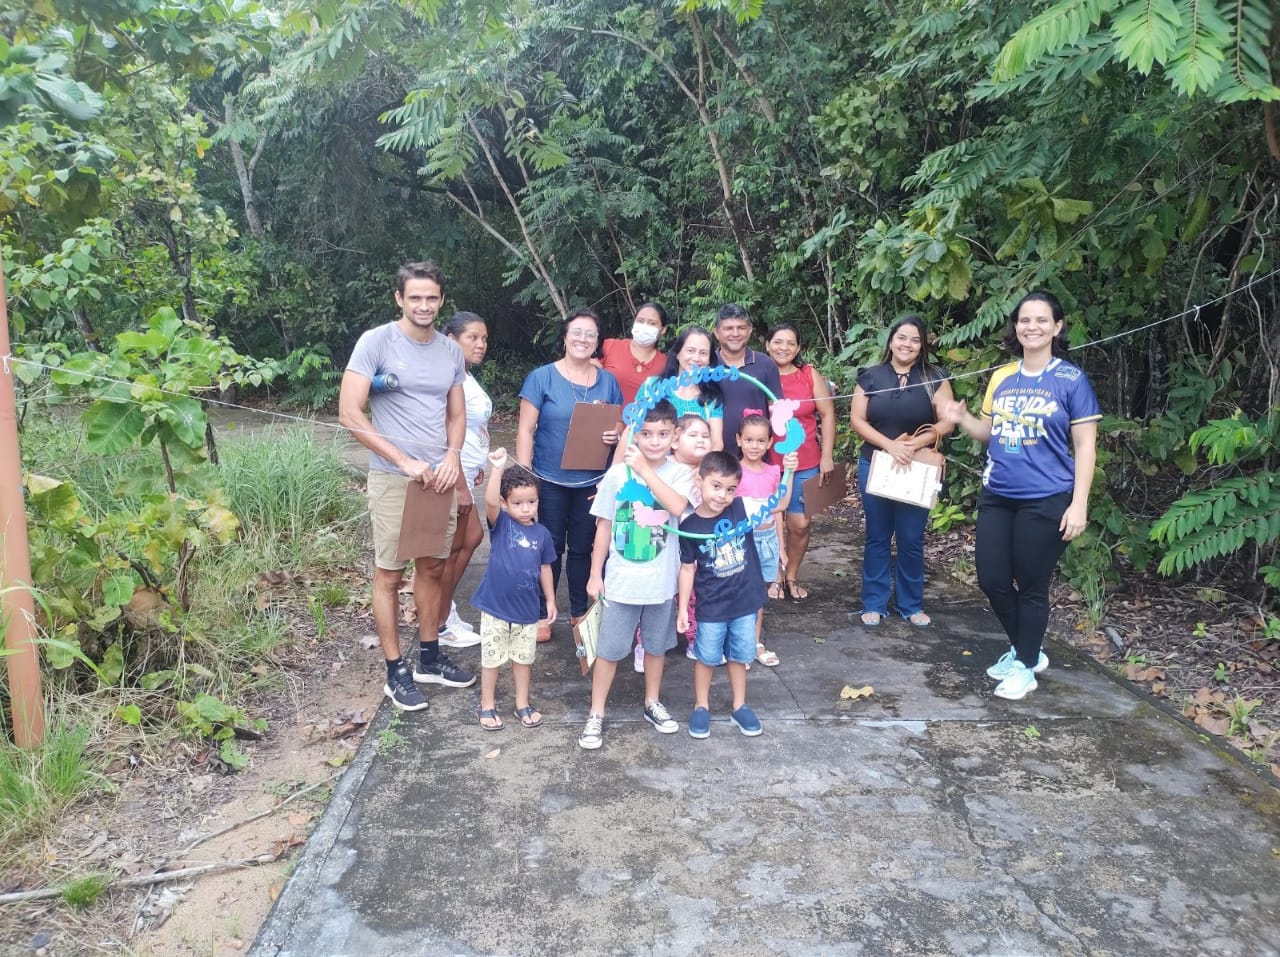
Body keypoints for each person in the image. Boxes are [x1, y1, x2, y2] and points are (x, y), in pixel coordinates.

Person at [936, 291, 1100, 701]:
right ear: (1016, 327)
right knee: (991, 579)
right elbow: (988, 434)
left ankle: (1025, 664)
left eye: (1042, 320)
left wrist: (1079, 503)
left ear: (1057, 327)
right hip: (998, 493)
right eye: (1025, 320)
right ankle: (1028, 649)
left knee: (1031, 585)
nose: (1032, 327)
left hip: (1046, 497)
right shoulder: (1002, 377)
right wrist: (961, 419)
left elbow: (1085, 446)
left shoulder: (1070, 380)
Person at [337, 261, 476, 712]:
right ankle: (395, 670)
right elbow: (350, 412)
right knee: (390, 573)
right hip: (394, 478)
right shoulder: (376, 342)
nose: (423, 305)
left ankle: (429, 657)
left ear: (440, 300)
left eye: (431, 298)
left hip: (438, 479)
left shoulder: (450, 352)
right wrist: (403, 460)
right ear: (399, 298)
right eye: (414, 297)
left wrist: (452, 457)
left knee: (432, 568)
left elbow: (457, 414)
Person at [579, 400, 692, 750]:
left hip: (661, 583)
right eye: (646, 434)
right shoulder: (616, 475)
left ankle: (652, 703)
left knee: (656, 647)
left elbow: (676, 507)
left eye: (662, 434)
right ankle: (596, 712)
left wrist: (645, 470)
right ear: (634, 436)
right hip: (622, 582)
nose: (654, 441)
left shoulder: (681, 473)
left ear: (675, 437)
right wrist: (595, 574)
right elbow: (604, 527)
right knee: (610, 651)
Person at [517, 309, 624, 640]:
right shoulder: (541, 377)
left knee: (584, 548)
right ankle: (541, 614)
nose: (582, 339)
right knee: (548, 548)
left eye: (590, 335)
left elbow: (621, 424)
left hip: (592, 482)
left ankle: (580, 612)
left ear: (597, 343)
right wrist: (525, 477)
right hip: (548, 481)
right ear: (564, 338)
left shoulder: (608, 381)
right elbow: (525, 430)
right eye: (576, 333)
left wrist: (615, 434)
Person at [850, 315, 956, 628]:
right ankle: (873, 602)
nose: (906, 344)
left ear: (922, 345)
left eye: (914, 339)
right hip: (876, 464)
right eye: (901, 337)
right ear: (891, 340)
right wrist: (889, 446)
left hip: (918, 467)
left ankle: (910, 604)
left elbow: (947, 421)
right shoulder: (870, 376)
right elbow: (858, 420)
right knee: (877, 536)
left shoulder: (934, 377)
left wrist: (912, 445)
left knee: (911, 538)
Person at [677, 452, 769, 739]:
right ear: (700, 480)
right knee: (706, 657)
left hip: (743, 603)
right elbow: (687, 570)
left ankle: (739, 705)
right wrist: (682, 609)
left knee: (740, 656)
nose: (722, 496)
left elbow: (775, 503)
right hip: (711, 607)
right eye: (716, 486)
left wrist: (788, 469)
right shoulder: (689, 527)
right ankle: (701, 705)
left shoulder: (740, 509)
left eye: (730, 489)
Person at [470, 449, 557, 731]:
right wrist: (496, 469)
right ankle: (487, 705)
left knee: (523, 659)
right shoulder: (501, 524)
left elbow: (546, 568)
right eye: (518, 503)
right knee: (492, 659)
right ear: (507, 504)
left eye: (531, 501)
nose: (526, 508)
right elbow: (490, 502)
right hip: (495, 607)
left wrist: (551, 600)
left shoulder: (542, 534)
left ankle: (522, 703)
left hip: (526, 611)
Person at [765, 322, 836, 602]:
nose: (784, 348)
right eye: (778, 342)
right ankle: (774, 576)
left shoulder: (809, 374)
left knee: (800, 524)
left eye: (790, 343)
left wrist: (827, 455)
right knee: (767, 523)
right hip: (765, 462)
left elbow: (828, 415)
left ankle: (791, 575)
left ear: (798, 348)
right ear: (767, 344)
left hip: (805, 461)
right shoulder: (759, 374)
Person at [435, 311, 492, 649]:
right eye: (473, 337)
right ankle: (439, 621)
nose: (481, 344)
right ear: (452, 339)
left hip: (467, 472)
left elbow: (471, 426)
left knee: (463, 543)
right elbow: (443, 429)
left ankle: (443, 613)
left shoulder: (462, 375)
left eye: (484, 338)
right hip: (453, 476)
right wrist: (458, 483)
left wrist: (477, 463)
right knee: (458, 545)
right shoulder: (446, 375)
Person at [735, 413, 798, 667]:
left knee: (758, 594)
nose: (754, 446)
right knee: (738, 592)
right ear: (739, 440)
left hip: (766, 538)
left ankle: (754, 642)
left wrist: (790, 471)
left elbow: (781, 505)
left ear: (770, 443)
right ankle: (738, 645)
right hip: (740, 539)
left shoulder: (773, 472)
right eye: (749, 440)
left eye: (761, 441)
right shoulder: (733, 471)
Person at [713, 303, 782, 458]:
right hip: (714, 456)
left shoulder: (766, 364)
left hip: (756, 457)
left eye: (741, 328)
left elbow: (775, 410)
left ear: (750, 330)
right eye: (728, 328)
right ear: (716, 332)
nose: (735, 333)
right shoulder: (707, 365)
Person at [649, 326, 725, 451]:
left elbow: (717, 444)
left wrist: (702, 470)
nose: (696, 358)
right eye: (690, 351)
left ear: (709, 360)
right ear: (678, 354)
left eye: (703, 353)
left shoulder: (712, 398)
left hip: (696, 468)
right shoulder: (653, 386)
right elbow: (632, 430)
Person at [596, 302, 669, 405]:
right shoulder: (609, 347)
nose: (644, 326)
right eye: (640, 321)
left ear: (663, 329)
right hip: (605, 419)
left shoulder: (666, 365)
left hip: (643, 420)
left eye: (652, 323)